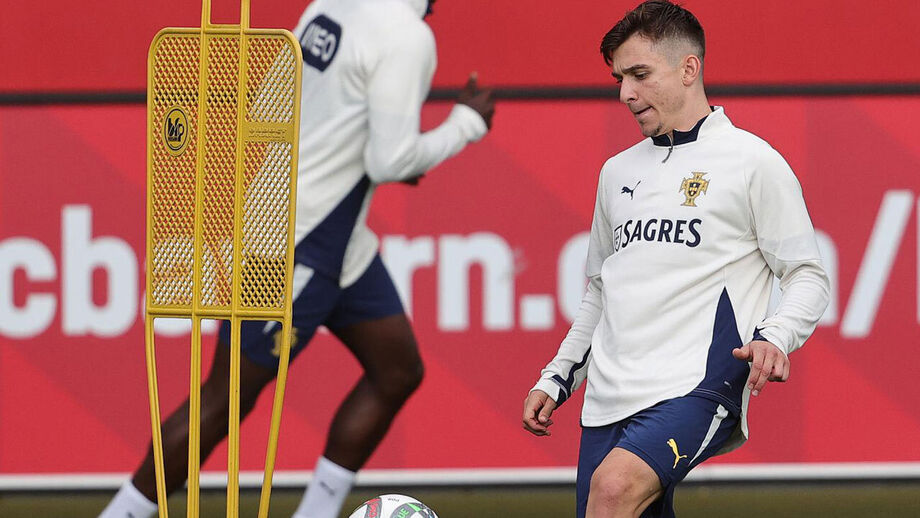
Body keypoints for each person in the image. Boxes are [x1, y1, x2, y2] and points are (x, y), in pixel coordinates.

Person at [100, 0, 494, 517]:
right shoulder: (407, 34)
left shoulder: (329, 4)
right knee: (222, 403)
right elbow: (390, 158)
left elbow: (270, 108)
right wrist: (467, 122)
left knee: (397, 369)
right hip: (297, 245)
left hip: (323, 236)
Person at [521, 2, 829, 517]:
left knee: (614, 490)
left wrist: (776, 335)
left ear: (689, 69)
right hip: (608, 398)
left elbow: (807, 275)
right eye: (620, 78)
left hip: (697, 385)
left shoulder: (752, 160)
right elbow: (602, 290)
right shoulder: (615, 173)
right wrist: (557, 376)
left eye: (640, 74)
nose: (626, 93)